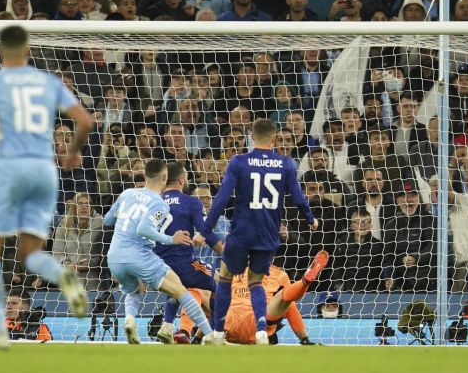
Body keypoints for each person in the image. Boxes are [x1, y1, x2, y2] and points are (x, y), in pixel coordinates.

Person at [0, 25, 91, 351]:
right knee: (30, 254)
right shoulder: (46, 81)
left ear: (0, 51)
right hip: (43, 170)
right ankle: (64, 277)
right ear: (28, 51)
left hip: (9, 167)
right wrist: (72, 151)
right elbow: (85, 121)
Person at [205, 118, 318, 345]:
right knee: (256, 282)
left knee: (226, 277)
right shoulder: (286, 164)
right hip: (267, 233)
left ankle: (217, 334)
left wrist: (206, 227)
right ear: (274, 138)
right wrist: (310, 218)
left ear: (252, 137)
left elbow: (222, 197)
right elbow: (297, 196)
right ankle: (260, 332)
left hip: (241, 231)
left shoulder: (238, 161)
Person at [105, 158, 217, 345]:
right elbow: (143, 229)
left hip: (114, 257)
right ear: (164, 177)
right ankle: (211, 335)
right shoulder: (159, 204)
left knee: (135, 290)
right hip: (140, 256)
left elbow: (108, 220)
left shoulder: (127, 193)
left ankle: (130, 320)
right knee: (181, 291)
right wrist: (171, 239)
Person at [154, 162, 224, 344]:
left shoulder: (154, 201)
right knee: (218, 283)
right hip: (183, 263)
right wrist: (224, 251)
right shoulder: (191, 202)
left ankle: (168, 325)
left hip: (156, 265)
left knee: (176, 285)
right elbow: (205, 230)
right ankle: (217, 333)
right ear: (181, 180)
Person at [225, 251, 328, 344]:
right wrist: (305, 339)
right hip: (261, 327)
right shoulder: (280, 274)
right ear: (272, 254)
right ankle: (304, 282)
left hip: (230, 326)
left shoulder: (233, 270)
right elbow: (290, 308)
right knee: (285, 296)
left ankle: (212, 332)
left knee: (213, 289)